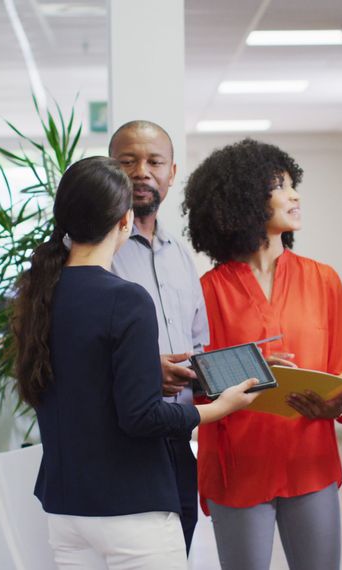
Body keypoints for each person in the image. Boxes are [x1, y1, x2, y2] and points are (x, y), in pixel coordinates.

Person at [11, 156, 260, 569]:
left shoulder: (39, 296)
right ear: (125, 220)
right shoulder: (126, 299)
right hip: (131, 509)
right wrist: (220, 407)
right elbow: (141, 417)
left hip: (66, 511)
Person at [183, 139, 342, 570]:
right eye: (279, 187)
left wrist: (339, 404)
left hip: (310, 460)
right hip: (238, 467)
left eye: (291, 184)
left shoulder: (323, 280)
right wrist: (250, 369)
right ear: (244, 199)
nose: (294, 195)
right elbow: (193, 382)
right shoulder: (206, 292)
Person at [109, 120, 206, 552]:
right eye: (127, 161)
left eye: (154, 162)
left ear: (172, 173)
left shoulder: (181, 257)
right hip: (120, 444)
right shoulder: (95, 251)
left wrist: (251, 370)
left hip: (177, 439)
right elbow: (75, 350)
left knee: (178, 549)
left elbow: (197, 347)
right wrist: (147, 373)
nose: (141, 172)